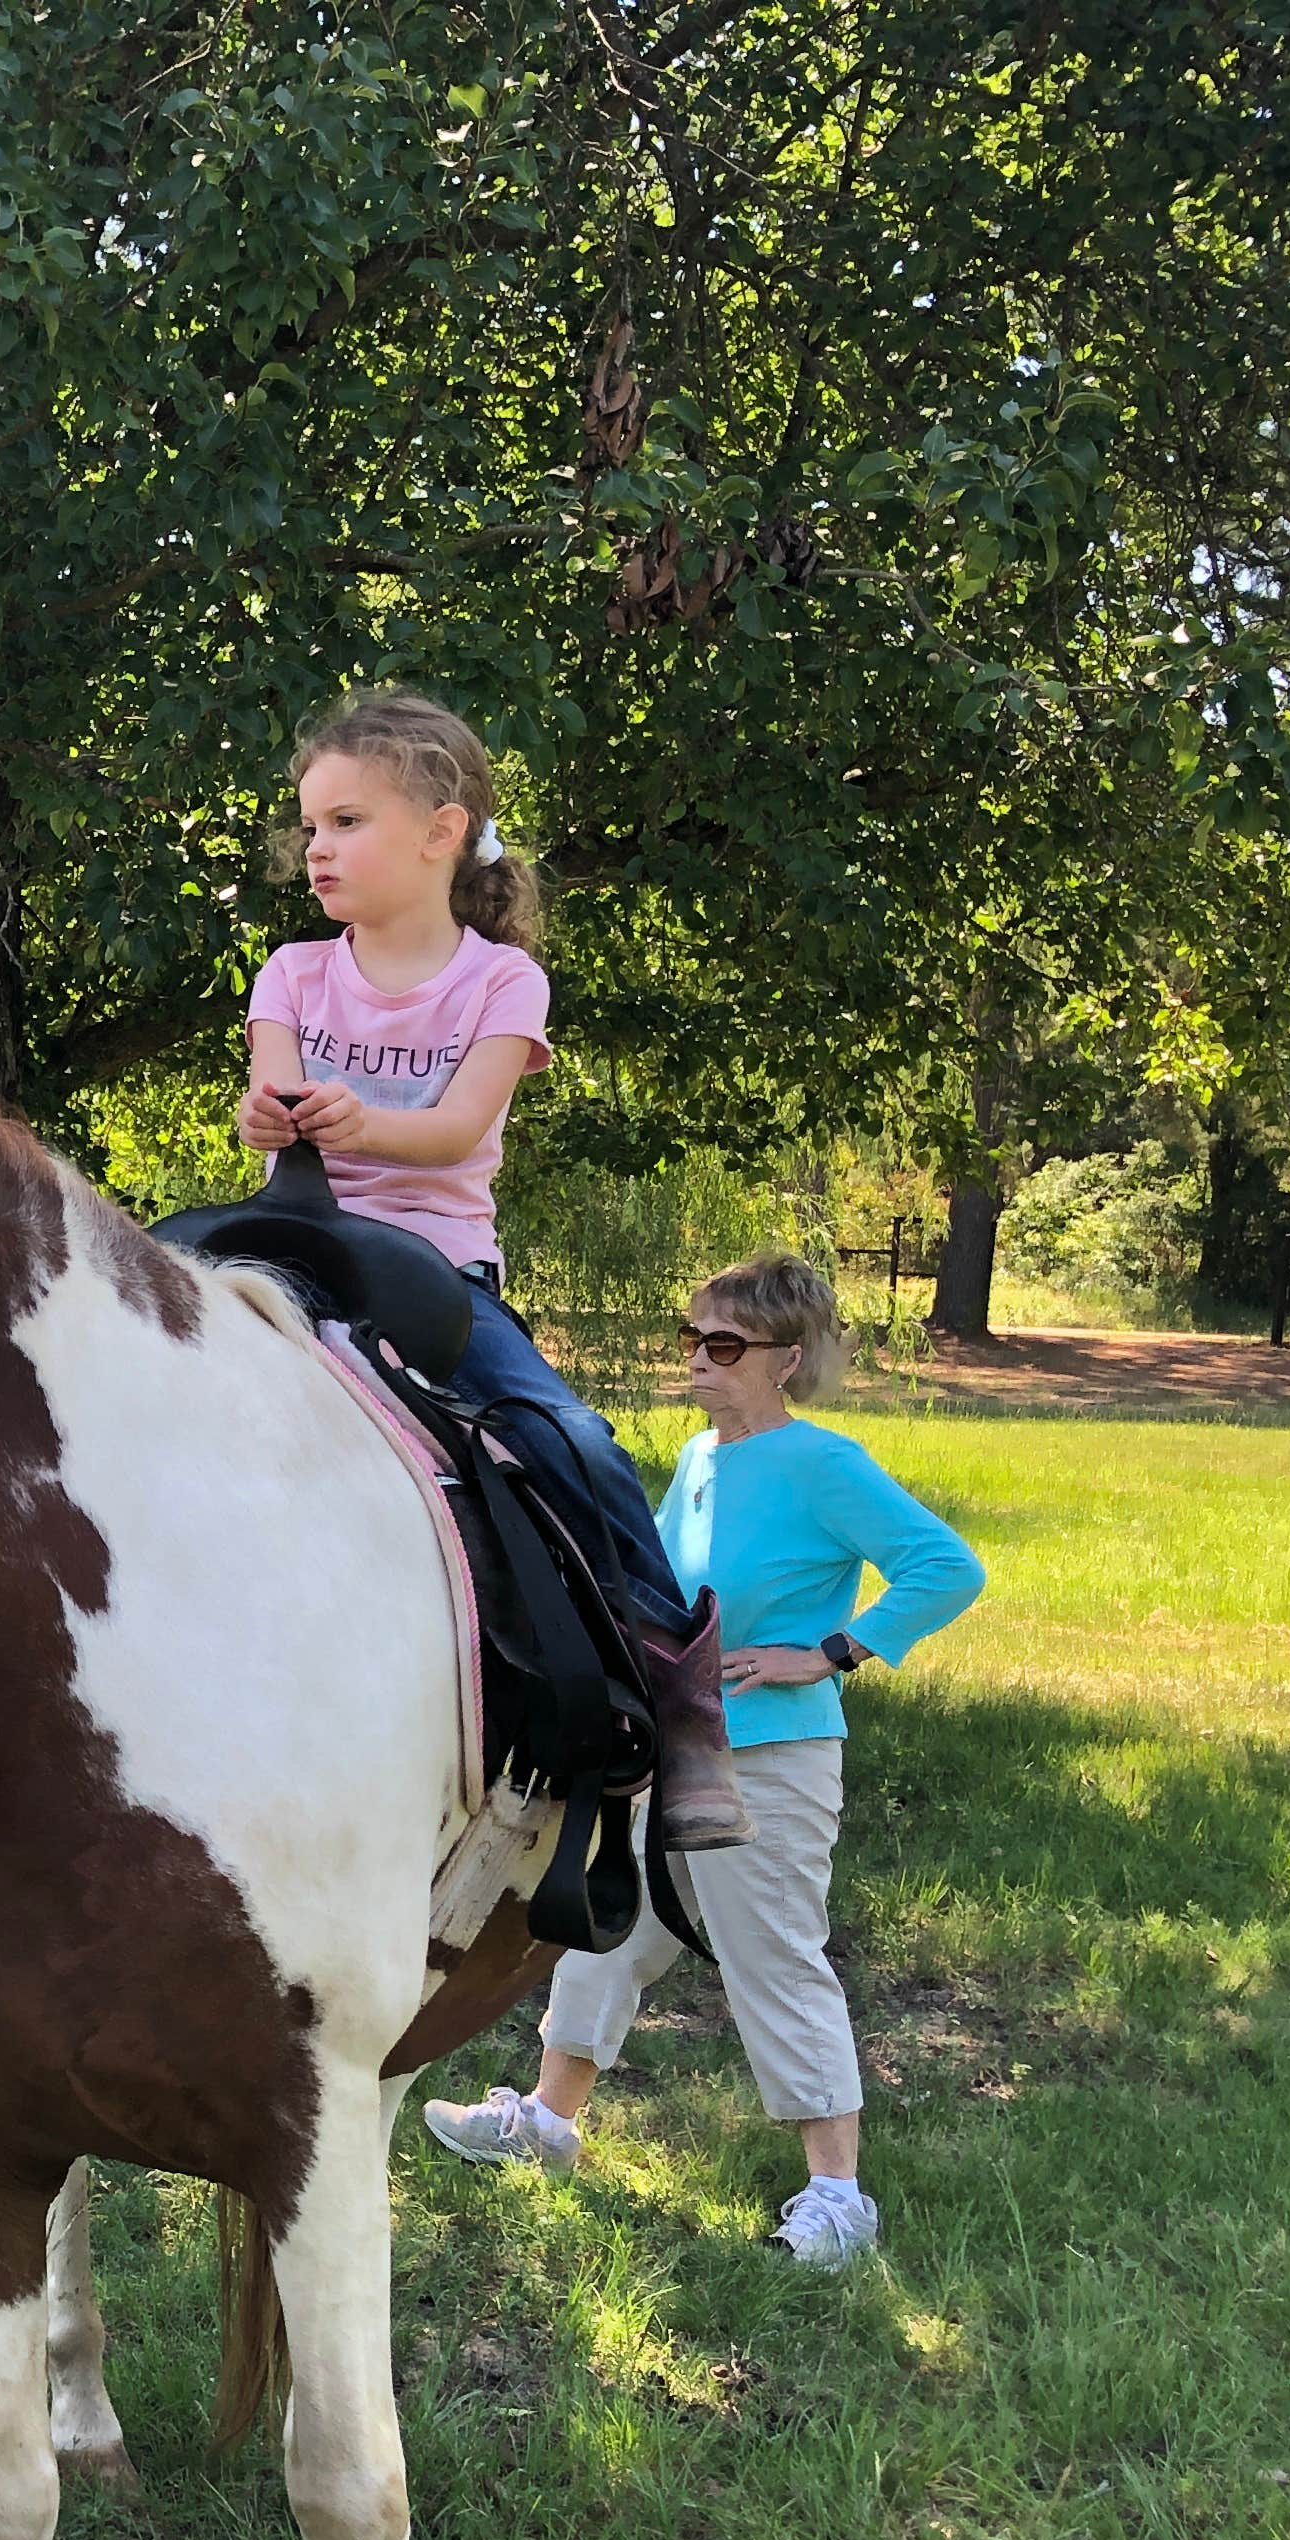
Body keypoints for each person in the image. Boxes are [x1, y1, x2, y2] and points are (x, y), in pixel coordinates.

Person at [238, 685, 749, 1848]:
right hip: (292, 1244)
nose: (318, 847)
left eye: (349, 822)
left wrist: (356, 1120)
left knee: (567, 1438)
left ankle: (681, 1697)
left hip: (432, 1270)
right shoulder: (294, 972)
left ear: (442, 830)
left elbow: (464, 1128)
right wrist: (267, 1120)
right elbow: (260, 1097)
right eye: (312, 825)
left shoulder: (501, 982)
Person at [422, 1255, 985, 2268]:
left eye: (723, 1346)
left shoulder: (824, 1465)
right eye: (692, 1339)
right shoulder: (698, 1458)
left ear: (787, 1359)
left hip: (773, 1759)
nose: (699, 1359)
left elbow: (947, 1565)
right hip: (676, 1747)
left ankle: (838, 2199)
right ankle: (548, 2125)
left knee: (774, 1957)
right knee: (610, 1936)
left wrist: (831, 1650)